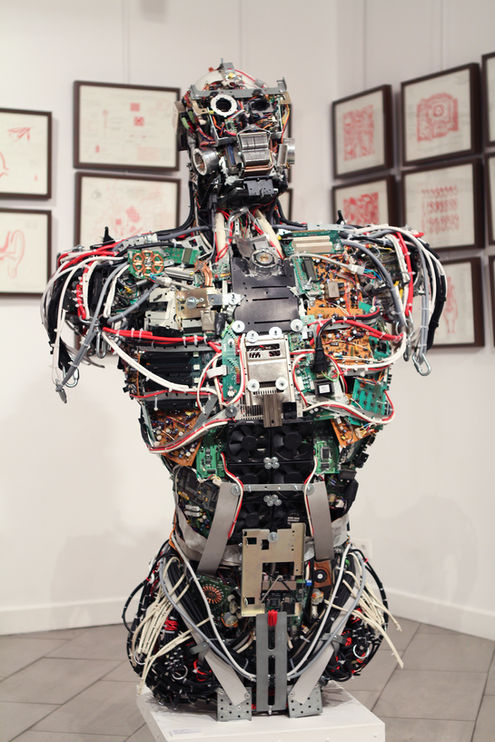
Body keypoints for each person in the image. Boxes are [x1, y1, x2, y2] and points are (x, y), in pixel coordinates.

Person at [42, 62, 446, 719]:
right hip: (198, 592)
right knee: (188, 650)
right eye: (226, 119)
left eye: (260, 121)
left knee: (322, 601)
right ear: (193, 140)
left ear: (283, 136)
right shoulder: (123, 273)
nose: (244, 138)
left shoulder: (367, 259)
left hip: (329, 593)